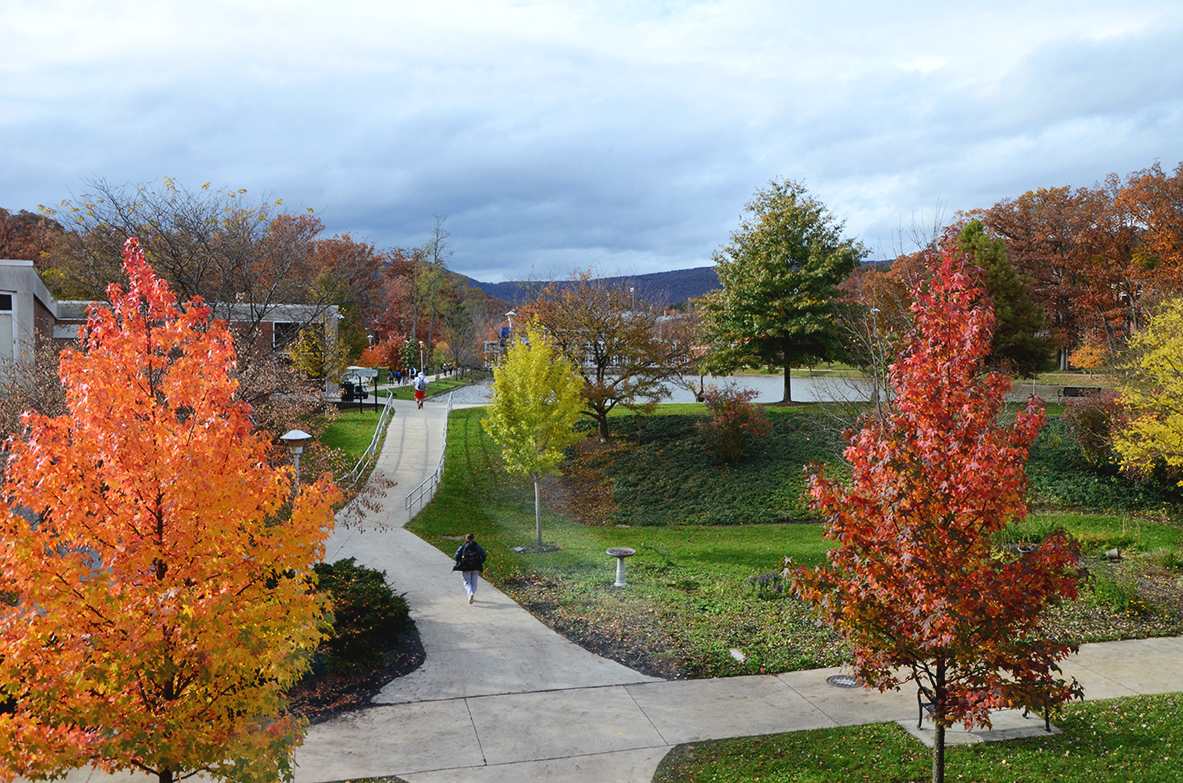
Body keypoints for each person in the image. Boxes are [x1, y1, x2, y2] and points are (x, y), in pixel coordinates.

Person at [452, 533, 487, 604]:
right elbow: (483, 555)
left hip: (466, 566)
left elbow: (456, 555)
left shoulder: (463, 546)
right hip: (476, 566)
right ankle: (471, 594)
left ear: (466, 538)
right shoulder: (477, 546)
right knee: (474, 582)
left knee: (466, 581)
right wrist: (480, 561)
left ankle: (470, 593)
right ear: (473, 538)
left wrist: (460, 561)